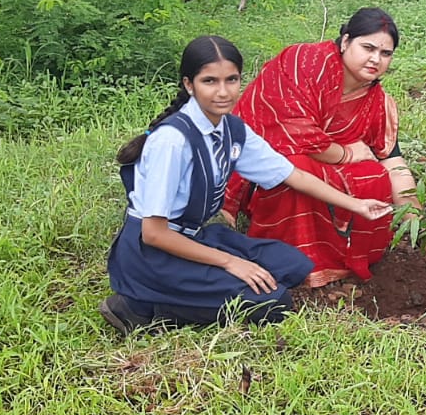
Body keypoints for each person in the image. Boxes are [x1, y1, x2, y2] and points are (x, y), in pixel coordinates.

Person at [100, 35, 393, 334]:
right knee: (273, 302)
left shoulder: (232, 129)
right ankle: (142, 308)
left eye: (232, 80)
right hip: (153, 255)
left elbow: (294, 175)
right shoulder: (172, 142)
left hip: (194, 237)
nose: (223, 92)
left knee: (294, 264)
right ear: (189, 85)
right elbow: (154, 234)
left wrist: (356, 204)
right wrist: (230, 262)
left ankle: (198, 288)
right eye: (210, 81)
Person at [221, 9, 426, 287]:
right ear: (345, 42)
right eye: (368, 47)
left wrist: (423, 231)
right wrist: (346, 153)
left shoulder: (376, 103)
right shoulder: (302, 63)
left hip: (327, 176)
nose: (375, 59)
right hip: (268, 171)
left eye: (385, 53)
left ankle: (342, 260)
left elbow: (394, 166)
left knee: (375, 177)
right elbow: (289, 132)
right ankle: (289, 260)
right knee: (296, 164)